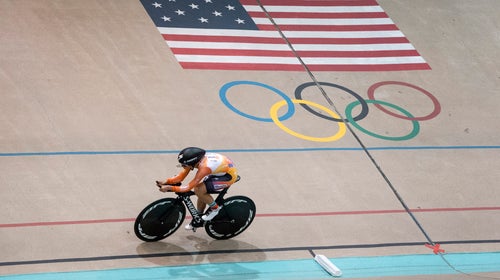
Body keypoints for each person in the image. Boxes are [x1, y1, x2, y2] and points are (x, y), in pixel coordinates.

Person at [156, 147, 238, 230]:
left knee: (198, 189)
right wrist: (166, 181)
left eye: (184, 165)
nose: (183, 166)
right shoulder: (195, 160)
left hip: (228, 176)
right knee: (201, 191)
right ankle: (198, 218)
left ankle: (215, 209)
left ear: (192, 162)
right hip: (219, 171)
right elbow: (180, 177)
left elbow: (188, 187)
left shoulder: (204, 168)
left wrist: (171, 188)